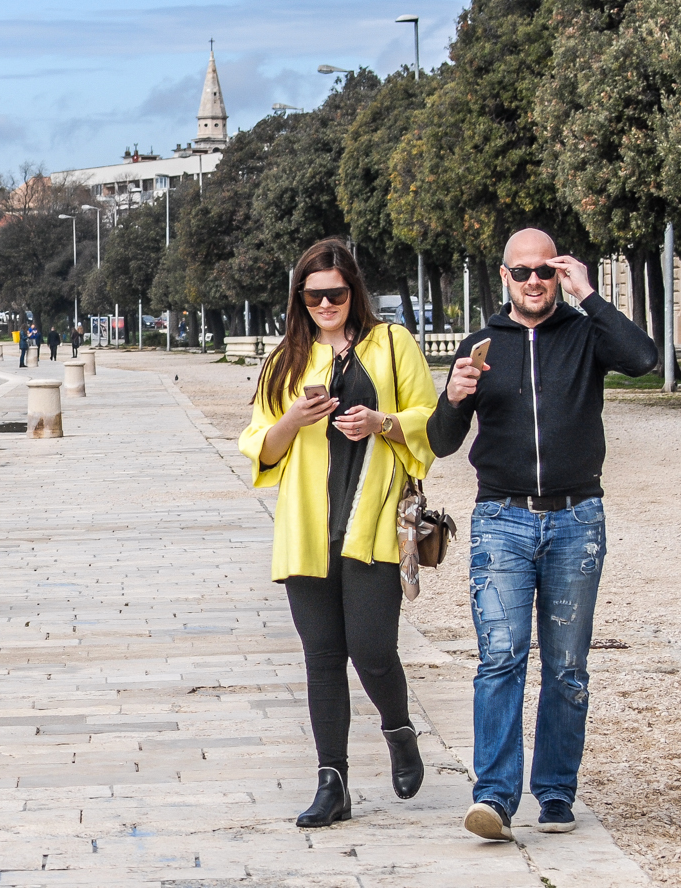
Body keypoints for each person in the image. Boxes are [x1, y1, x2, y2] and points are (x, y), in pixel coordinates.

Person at [428, 228, 657, 842]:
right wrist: (453, 397)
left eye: (545, 271)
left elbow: (644, 360)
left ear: (559, 274)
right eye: (523, 271)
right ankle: (495, 797)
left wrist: (591, 295)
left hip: (576, 518)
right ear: (504, 276)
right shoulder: (480, 346)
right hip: (501, 518)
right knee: (500, 659)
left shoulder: (585, 333)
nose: (534, 281)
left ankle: (555, 791)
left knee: (566, 666)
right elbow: (443, 441)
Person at [238, 238, 438, 828]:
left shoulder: (392, 343)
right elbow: (260, 446)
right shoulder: (285, 361)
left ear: (354, 292)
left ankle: (399, 731)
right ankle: (333, 782)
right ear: (299, 298)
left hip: (371, 520)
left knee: (372, 649)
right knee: (322, 658)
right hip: (306, 528)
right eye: (314, 295)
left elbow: (430, 421)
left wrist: (381, 422)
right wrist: (292, 420)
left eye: (337, 293)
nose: (326, 304)